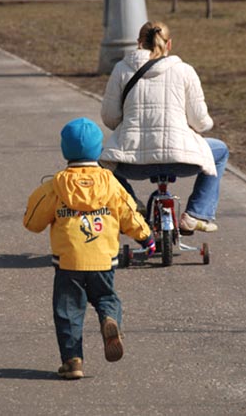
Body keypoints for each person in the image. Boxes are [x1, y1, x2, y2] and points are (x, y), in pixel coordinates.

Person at [23, 117, 154, 380]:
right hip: (103, 260)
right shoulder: (111, 183)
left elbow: (32, 222)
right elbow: (130, 213)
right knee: (107, 297)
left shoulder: (56, 186)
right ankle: (108, 318)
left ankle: (72, 361)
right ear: (98, 150)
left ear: (65, 150)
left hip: (68, 262)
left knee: (68, 311)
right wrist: (146, 238)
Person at [100, 21, 229, 234]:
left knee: (100, 160)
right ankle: (197, 213)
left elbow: (110, 118)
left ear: (138, 43)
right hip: (180, 161)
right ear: (169, 44)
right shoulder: (185, 70)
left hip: (134, 164)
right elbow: (200, 122)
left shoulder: (121, 70)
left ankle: (131, 206)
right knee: (220, 151)